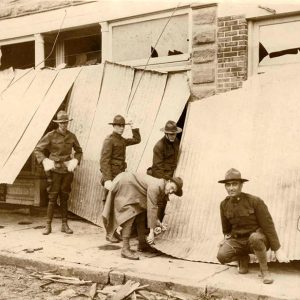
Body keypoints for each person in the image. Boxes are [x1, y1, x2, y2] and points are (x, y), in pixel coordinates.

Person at [217, 168, 289, 284]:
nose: (231, 188)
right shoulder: (224, 204)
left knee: (255, 238)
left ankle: (264, 270)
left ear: (241, 185)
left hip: (257, 239)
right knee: (221, 256)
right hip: (238, 240)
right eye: (228, 185)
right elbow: (226, 229)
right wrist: (225, 239)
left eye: (235, 184)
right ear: (225, 186)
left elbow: (268, 226)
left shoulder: (255, 201)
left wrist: (277, 249)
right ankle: (243, 257)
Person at [102, 172, 183, 260]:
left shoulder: (162, 188)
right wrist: (151, 233)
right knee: (129, 215)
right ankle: (125, 249)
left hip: (132, 186)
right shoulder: (156, 186)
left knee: (141, 215)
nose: (171, 191)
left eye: (173, 191)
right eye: (172, 188)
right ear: (168, 181)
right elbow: (152, 208)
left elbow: (152, 210)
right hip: (126, 184)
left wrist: (159, 223)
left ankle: (142, 244)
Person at [34, 110, 82, 235]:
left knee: (65, 197)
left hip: (67, 170)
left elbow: (79, 150)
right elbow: (38, 149)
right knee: (52, 197)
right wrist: (45, 160)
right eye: (61, 123)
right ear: (58, 123)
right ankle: (48, 225)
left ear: (68, 123)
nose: (64, 125)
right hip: (54, 170)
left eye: (65, 122)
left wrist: (75, 160)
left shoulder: (72, 136)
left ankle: (64, 225)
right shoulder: (51, 135)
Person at [148, 120, 182, 221]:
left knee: (165, 201)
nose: (173, 136)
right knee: (159, 201)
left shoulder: (176, 141)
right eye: (171, 134)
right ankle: (152, 226)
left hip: (170, 177)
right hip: (160, 176)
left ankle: (159, 224)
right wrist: (164, 183)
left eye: (174, 134)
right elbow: (157, 167)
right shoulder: (159, 146)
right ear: (166, 133)